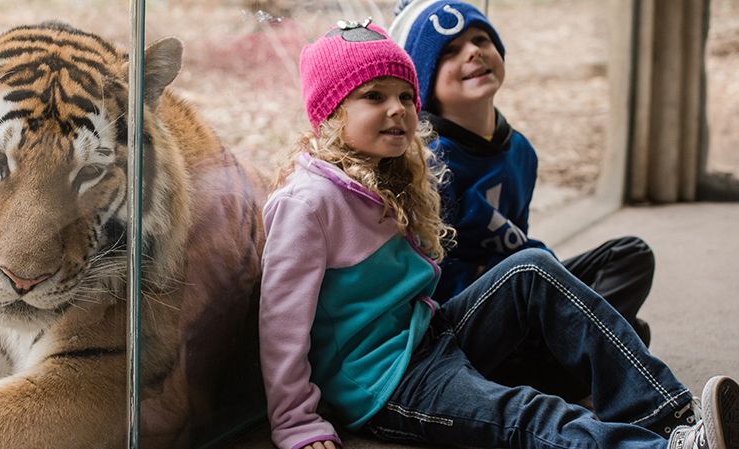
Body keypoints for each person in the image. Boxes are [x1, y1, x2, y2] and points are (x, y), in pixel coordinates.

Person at [259, 18, 739, 449]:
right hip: (384, 384)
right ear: (331, 113)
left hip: (429, 334)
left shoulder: (391, 177)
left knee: (533, 269)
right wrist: (297, 422)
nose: (399, 109)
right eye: (374, 96)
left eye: (406, 96)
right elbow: (280, 322)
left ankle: (673, 416)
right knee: (526, 413)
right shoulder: (308, 202)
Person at [388, 0, 654, 399]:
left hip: (528, 287)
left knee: (631, 254)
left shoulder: (521, 151)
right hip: (469, 315)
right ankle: (566, 360)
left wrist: (552, 286)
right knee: (626, 335)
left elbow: (517, 239)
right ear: (423, 82)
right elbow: (427, 276)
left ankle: (565, 357)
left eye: (481, 39)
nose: (473, 52)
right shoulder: (429, 163)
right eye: (450, 51)